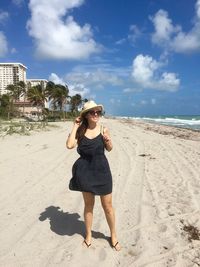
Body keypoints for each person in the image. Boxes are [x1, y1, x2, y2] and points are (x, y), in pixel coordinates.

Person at [66, 100, 121, 251]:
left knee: (108, 206)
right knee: (89, 206)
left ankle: (113, 235)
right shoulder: (80, 130)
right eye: (92, 112)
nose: (96, 114)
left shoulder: (104, 129)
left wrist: (108, 141)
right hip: (85, 172)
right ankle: (89, 234)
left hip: (102, 171)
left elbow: (109, 149)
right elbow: (70, 145)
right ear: (86, 115)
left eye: (98, 112)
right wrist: (75, 126)